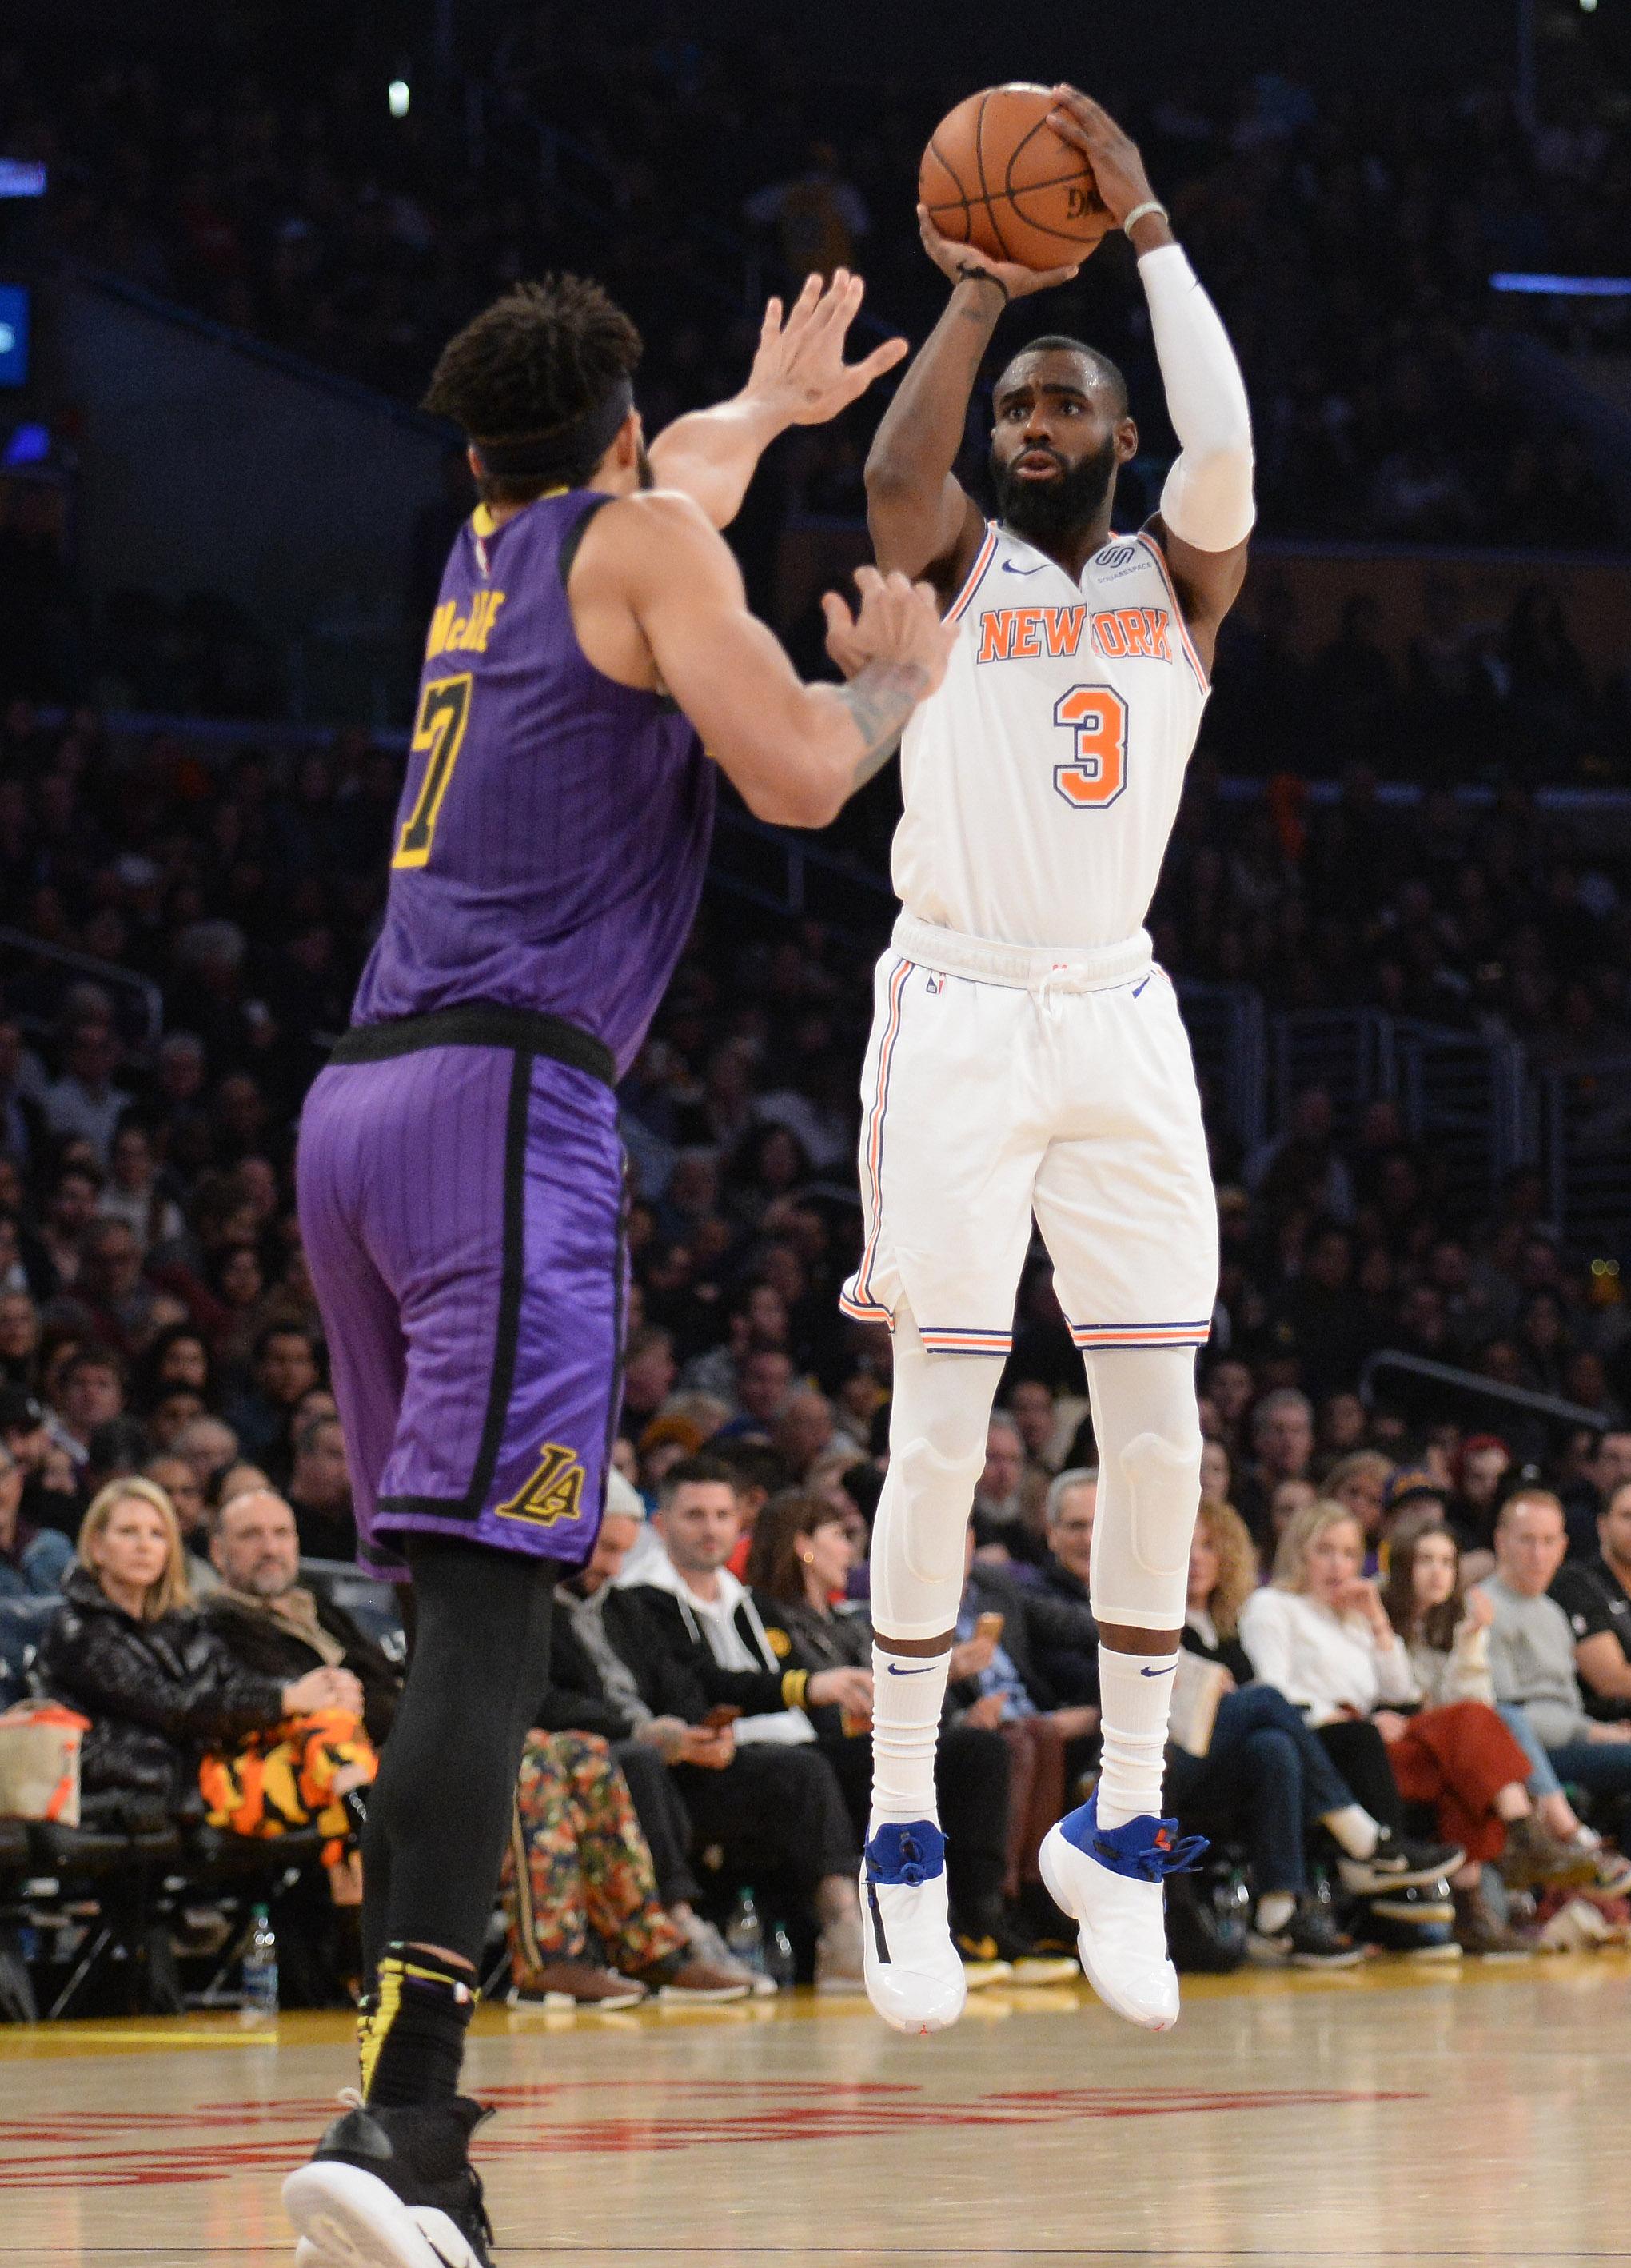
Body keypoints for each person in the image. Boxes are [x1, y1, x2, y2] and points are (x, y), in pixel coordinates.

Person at [282, 247, 947, 2262]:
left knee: (455, 1599)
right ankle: (403, 2126)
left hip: (363, 1115)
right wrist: (899, 675)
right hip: (505, 1106)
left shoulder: (499, 545)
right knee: (494, 1605)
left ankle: (403, 2112)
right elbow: (808, 776)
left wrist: (773, 413)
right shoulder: (638, 537)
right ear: (621, 442)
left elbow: (682, 492)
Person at [845, 87, 1255, 2038]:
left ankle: (1123, 1825)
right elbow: (887, 481)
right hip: (959, 1007)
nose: (1031, 424)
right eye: (1019, 404)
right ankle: (906, 1827)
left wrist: (1150, 230)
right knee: (941, 1421)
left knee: (1162, 1430)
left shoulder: (1177, 583)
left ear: (1119, 440)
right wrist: (971, 304)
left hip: (1119, 1008)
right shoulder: (958, 570)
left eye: (1060, 402)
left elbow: (1232, 444)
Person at [1242, 1502, 1556, 1953]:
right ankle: (1518, 1836)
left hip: (1372, 1744)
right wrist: (1348, 1715)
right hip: (1318, 1745)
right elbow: (1271, 1693)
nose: (1339, 1565)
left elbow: (1402, 1691)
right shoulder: (1273, 1605)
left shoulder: (1353, 1614)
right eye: (1325, 1551)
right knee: (1467, 1725)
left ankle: (1470, 1904)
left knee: (1467, 1747)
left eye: (1350, 1554)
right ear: (1297, 1553)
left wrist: (1375, 1620)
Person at [744, 1487, 1029, 1970]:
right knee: (941, 1759)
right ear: (803, 1545)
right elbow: (817, 1710)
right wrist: (945, 1671)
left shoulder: (847, 1621)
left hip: (871, 1745)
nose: (850, 1551)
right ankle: (925, 1925)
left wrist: (950, 1699)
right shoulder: (766, 1615)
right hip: (821, 1752)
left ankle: (983, 1912)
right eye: (840, 1535)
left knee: (980, 1748)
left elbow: (893, 1700)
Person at [35, 1478, 366, 1835]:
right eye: (128, 1532)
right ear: (97, 1547)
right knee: (327, 1780)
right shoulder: (79, 1632)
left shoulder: (181, 1622)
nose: (144, 1546)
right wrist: (288, 1698)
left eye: (157, 1534)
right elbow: (172, 1708)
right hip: (141, 1783)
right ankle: (364, 1839)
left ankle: (360, 1840)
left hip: (201, 1770)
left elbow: (236, 1681)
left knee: (330, 1731)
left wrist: (314, 1693)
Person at [1171, 1499, 1369, 1966]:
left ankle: (1279, 1907)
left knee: (1273, 1745)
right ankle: (1356, 1833)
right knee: (1266, 1701)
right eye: (1186, 1546)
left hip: (1217, 1769)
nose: (1197, 1558)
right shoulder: (1151, 1626)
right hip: (1163, 1762)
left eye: (1209, 1548)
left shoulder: (1232, 1633)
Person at [201, 1486, 401, 1747]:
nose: (270, 1548)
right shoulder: (212, 1623)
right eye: (251, 1535)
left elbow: (383, 1673)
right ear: (218, 1552)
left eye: (281, 1533)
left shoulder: (315, 1602)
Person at [1478, 1491, 1631, 1825]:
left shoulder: (1553, 1613)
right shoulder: (1484, 1609)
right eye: (1527, 1541)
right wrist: (1594, 1733)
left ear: (1563, 1547)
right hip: (1530, 1756)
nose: (1538, 1555)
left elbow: (1568, 1705)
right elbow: (1504, 1714)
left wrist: (1601, 1731)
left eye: (1549, 1542)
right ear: (1501, 1543)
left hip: (1571, 1740)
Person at [1551, 1476, 1631, 1722]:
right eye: (1627, 1516)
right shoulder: (1576, 1582)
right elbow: (1611, 1680)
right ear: (1602, 1526)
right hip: (1600, 1729)